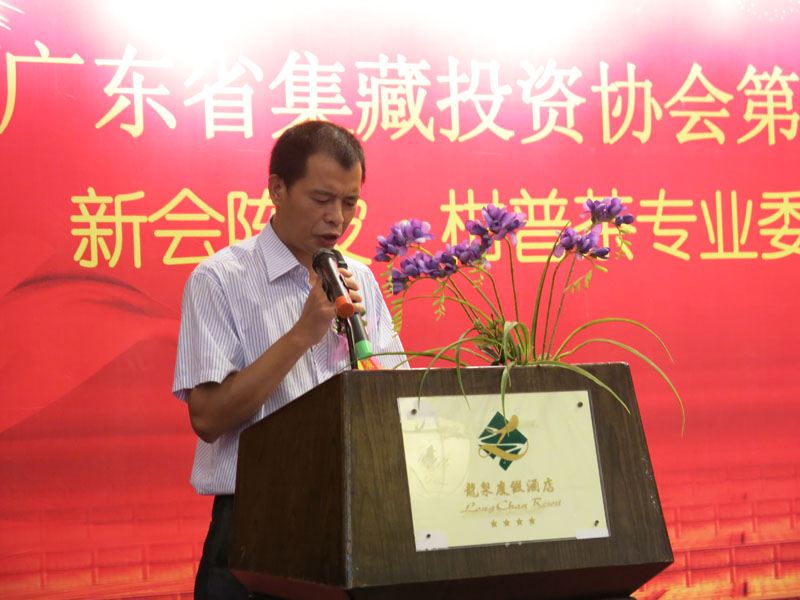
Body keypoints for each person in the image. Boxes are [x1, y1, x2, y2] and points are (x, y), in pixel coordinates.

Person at [172, 120, 406, 599]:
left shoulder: (359, 278)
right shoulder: (219, 279)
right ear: (277, 189)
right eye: (321, 199)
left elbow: (394, 400)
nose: (337, 219)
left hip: (356, 516)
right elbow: (208, 418)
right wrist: (302, 334)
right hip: (255, 526)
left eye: (349, 203)